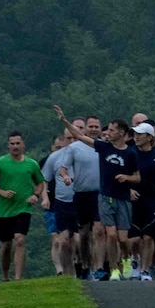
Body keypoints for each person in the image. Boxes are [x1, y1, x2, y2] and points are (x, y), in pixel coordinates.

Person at [0, 131, 45, 281]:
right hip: (3, 211)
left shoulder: (32, 164)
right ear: (8, 145)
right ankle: (5, 277)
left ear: (23, 144)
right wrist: (1, 192)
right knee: (6, 246)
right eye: (12, 144)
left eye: (18, 143)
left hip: (23, 208)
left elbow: (40, 183)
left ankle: (18, 278)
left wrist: (35, 195)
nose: (15, 146)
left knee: (20, 239)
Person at [50, 107, 104, 277]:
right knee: (84, 234)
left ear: (100, 128)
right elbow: (63, 169)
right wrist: (66, 177)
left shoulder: (104, 146)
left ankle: (99, 268)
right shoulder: (75, 148)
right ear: (85, 128)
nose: (94, 129)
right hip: (81, 195)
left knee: (99, 230)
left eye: (97, 126)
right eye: (91, 126)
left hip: (100, 195)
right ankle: (84, 263)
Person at [95, 119, 140, 279]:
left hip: (123, 199)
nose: (109, 133)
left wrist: (126, 178)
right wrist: (65, 121)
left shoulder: (130, 153)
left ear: (121, 133)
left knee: (122, 239)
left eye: (113, 130)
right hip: (106, 197)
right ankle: (113, 268)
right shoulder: (103, 147)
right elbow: (80, 137)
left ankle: (127, 259)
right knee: (111, 235)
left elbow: (137, 177)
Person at [128, 122, 155, 281]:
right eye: (135, 134)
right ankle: (135, 262)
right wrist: (129, 189)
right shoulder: (130, 153)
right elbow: (122, 174)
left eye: (140, 134)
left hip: (153, 201)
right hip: (134, 201)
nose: (136, 137)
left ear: (149, 137)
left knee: (148, 237)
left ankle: (145, 270)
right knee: (133, 239)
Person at [41, 132, 77, 276]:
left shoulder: (73, 159)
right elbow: (40, 181)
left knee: (71, 240)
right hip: (52, 204)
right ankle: (59, 270)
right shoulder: (47, 161)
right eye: (56, 147)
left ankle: (73, 266)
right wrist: (43, 197)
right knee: (57, 240)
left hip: (70, 202)